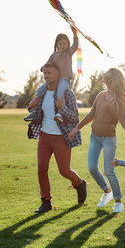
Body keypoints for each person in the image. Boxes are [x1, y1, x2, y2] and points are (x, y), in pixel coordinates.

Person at [68, 68, 125, 213]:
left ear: (111, 79)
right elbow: (92, 113)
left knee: (109, 170)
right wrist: (76, 128)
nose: (102, 77)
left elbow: (124, 119)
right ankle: (107, 191)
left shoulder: (118, 99)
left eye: (105, 76)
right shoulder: (101, 95)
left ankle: (118, 202)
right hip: (95, 137)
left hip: (108, 139)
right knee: (92, 167)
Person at [27, 62, 87, 213]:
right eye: (44, 73)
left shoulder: (67, 94)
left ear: (58, 74)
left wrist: (62, 107)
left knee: (64, 171)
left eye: (50, 73)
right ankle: (46, 201)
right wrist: (31, 106)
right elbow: (36, 112)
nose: (46, 76)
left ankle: (79, 183)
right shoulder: (41, 94)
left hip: (61, 137)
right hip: (45, 136)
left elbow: (74, 117)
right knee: (42, 167)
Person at [25, 26, 79, 123]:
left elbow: (75, 45)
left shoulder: (68, 53)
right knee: (39, 90)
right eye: (60, 44)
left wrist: (75, 34)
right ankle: (34, 111)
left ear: (68, 44)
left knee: (60, 93)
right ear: (57, 44)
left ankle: (60, 114)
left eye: (65, 44)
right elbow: (48, 64)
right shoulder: (54, 55)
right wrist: (43, 68)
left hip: (64, 79)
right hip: (54, 79)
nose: (63, 46)